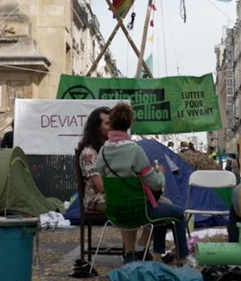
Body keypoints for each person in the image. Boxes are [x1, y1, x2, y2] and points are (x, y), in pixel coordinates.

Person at [95, 102, 190, 265]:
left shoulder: (103, 151)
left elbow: (103, 175)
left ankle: (157, 257)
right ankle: (182, 258)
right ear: (130, 123)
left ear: (112, 124)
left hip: (115, 211)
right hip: (139, 212)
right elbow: (155, 185)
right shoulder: (135, 151)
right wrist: (161, 173)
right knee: (178, 213)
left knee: (163, 210)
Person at [76, 106, 145, 262]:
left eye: (112, 122)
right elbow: (100, 186)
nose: (112, 126)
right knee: (127, 203)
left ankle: (140, 248)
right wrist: (127, 189)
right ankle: (130, 253)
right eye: (107, 123)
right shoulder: (89, 153)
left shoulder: (113, 148)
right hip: (97, 198)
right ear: (96, 127)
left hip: (116, 193)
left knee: (151, 203)